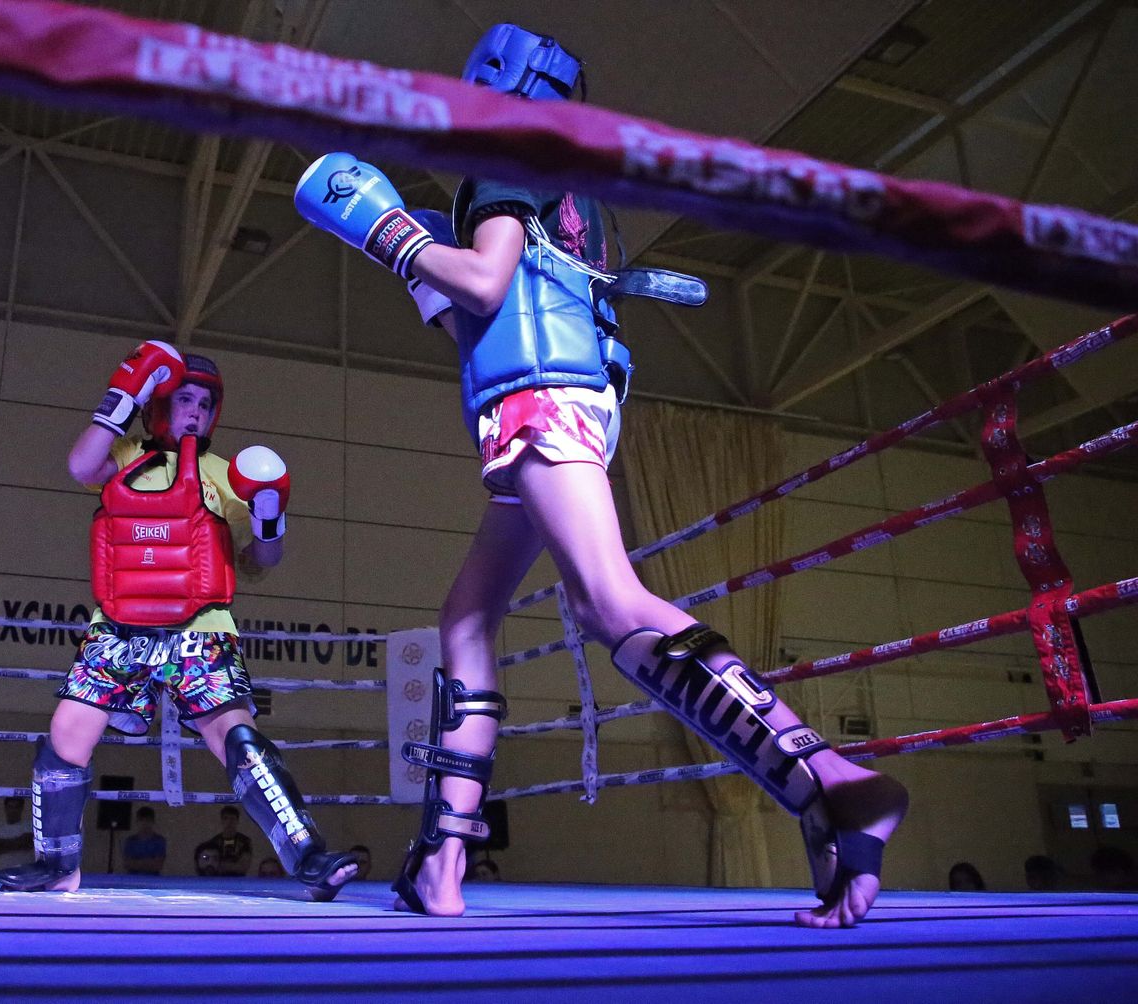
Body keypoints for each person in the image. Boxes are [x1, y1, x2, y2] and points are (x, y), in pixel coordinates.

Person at [296, 23, 908, 928]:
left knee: (611, 602)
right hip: (549, 402)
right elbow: (491, 307)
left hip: (542, 403)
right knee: (467, 617)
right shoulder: (569, 184)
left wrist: (388, 233)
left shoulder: (506, 154)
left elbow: (482, 282)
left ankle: (827, 778)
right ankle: (444, 861)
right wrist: (424, 261)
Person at [0, 344, 358, 901]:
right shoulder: (123, 455)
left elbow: (263, 563)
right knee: (66, 734)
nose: (195, 412)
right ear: (157, 402)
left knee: (236, 737)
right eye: (183, 398)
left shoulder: (224, 473)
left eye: (205, 404)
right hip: (117, 626)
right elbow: (78, 466)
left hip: (200, 628)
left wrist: (270, 517)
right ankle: (57, 865)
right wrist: (123, 393)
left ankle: (307, 854)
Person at [199, 805, 253, 877]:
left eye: (232, 819)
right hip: (218, 881)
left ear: (237, 821)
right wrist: (233, 865)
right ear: (221, 821)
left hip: (238, 882)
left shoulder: (245, 841)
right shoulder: (214, 842)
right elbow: (210, 865)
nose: (229, 822)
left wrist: (220, 864)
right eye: (225, 818)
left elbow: (242, 867)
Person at [0, 796, 34, 873]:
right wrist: (18, 842)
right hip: (0, 874)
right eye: (10, 807)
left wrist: (1, 844)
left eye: (16, 807)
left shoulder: (29, 825)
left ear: (21, 809)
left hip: (24, 875)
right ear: (5, 808)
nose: (13, 810)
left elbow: (27, 842)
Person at [122, 806, 167, 875]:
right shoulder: (130, 841)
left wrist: (136, 863)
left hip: (152, 881)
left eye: (148, 820)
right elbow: (127, 864)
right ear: (137, 822)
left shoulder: (159, 841)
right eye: (142, 820)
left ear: (153, 822)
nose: (145, 824)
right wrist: (149, 862)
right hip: (132, 881)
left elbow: (158, 865)